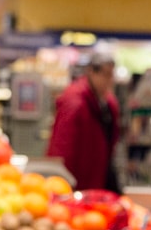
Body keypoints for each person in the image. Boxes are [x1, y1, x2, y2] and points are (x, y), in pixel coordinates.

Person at [45, 53, 121, 192]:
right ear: (91, 72)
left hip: (97, 176)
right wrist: (60, 181)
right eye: (106, 75)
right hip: (77, 180)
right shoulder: (75, 101)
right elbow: (61, 146)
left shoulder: (107, 102)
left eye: (111, 75)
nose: (110, 81)